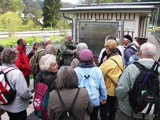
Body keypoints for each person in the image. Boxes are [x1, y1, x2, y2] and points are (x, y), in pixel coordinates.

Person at [116, 42, 160, 120]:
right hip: (150, 111)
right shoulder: (158, 69)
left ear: (140, 52)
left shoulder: (131, 68)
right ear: (154, 54)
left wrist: (123, 103)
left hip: (129, 112)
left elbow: (121, 91)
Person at [74, 49, 107, 120]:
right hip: (95, 100)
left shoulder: (76, 71)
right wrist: (104, 97)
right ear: (92, 59)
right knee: (94, 117)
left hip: (80, 100)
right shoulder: (97, 70)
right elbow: (102, 86)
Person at [1, 48, 32, 120]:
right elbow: (23, 92)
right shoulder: (16, 73)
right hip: (17, 106)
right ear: (13, 58)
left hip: (6, 102)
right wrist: (29, 95)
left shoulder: (1, 69)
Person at [99, 40, 124, 120]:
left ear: (107, 49)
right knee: (112, 108)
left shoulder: (108, 62)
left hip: (107, 89)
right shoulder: (119, 57)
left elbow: (99, 74)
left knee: (104, 109)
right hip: (116, 87)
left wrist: (103, 62)